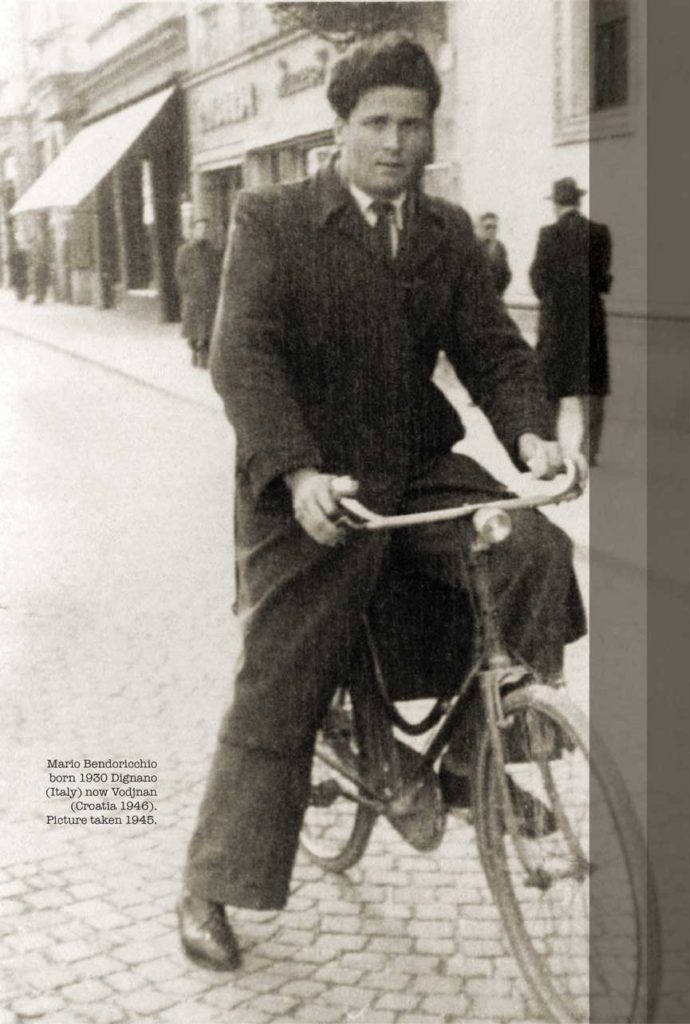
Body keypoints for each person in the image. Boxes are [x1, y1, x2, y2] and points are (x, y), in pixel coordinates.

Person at [177, 34, 587, 971]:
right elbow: (242, 357)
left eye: (413, 124)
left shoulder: (443, 231)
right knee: (283, 679)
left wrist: (531, 434)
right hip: (310, 482)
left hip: (415, 465)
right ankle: (209, 884)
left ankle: (472, 756)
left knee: (530, 546)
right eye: (376, 123)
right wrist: (297, 473)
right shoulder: (274, 217)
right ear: (340, 128)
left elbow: (493, 351)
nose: (396, 142)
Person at [530, 177, 612, 466]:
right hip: (590, 323)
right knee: (592, 389)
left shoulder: (548, 234)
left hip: (556, 324)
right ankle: (589, 452)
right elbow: (602, 280)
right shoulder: (599, 233)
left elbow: (537, 279)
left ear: (556, 203)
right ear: (578, 201)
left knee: (550, 390)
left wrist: (554, 300)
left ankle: (552, 449)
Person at [175, 217, 221, 368]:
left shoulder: (213, 251)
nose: (203, 232)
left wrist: (216, 290)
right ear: (193, 231)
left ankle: (205, 356)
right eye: (200, 229)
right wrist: (187, 289)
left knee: (208, 329)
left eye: (206, 229)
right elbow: (180, 273)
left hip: (209, 296)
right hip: (193, 297)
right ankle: (195, 351)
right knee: (193, 330)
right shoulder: (185, 251)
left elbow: (218, 272)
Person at [476, 212, 511, 296]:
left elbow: (506, 273)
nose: (491, 230)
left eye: (494, 227)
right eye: (488, 227)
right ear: (480, 228)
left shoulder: (500, 247)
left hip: (495, 295)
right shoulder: (473, 247)